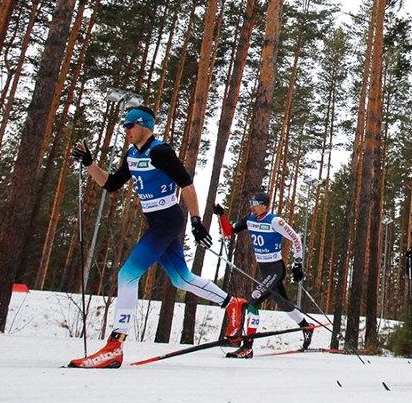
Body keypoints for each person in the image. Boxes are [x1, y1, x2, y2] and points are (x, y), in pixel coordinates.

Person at [67, 106, 244, 368]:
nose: (125, 130)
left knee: (126, 275)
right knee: (181, 278)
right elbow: (111, 184)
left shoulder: (160, 152)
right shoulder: (132, 155)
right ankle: (232, 303)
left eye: (129, 125)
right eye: (123, 126)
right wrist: (90, 164)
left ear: (144, 126)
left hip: (168, 220)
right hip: (157, 221)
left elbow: (186, 184)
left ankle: (115, 346)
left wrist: (197, 221)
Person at [213, 191, 312, 359]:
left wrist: (297, 263)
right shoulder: (249, 219)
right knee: (284, 304)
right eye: (251, 202)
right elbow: (229, 231)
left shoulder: (275, 221)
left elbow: (295, 238)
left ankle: (248, 347)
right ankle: (306, 326)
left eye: (255, 202)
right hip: (264, 269)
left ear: (264, 205)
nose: (252, 205)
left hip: (275, 269)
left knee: (253, 301)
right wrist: (221, 215)